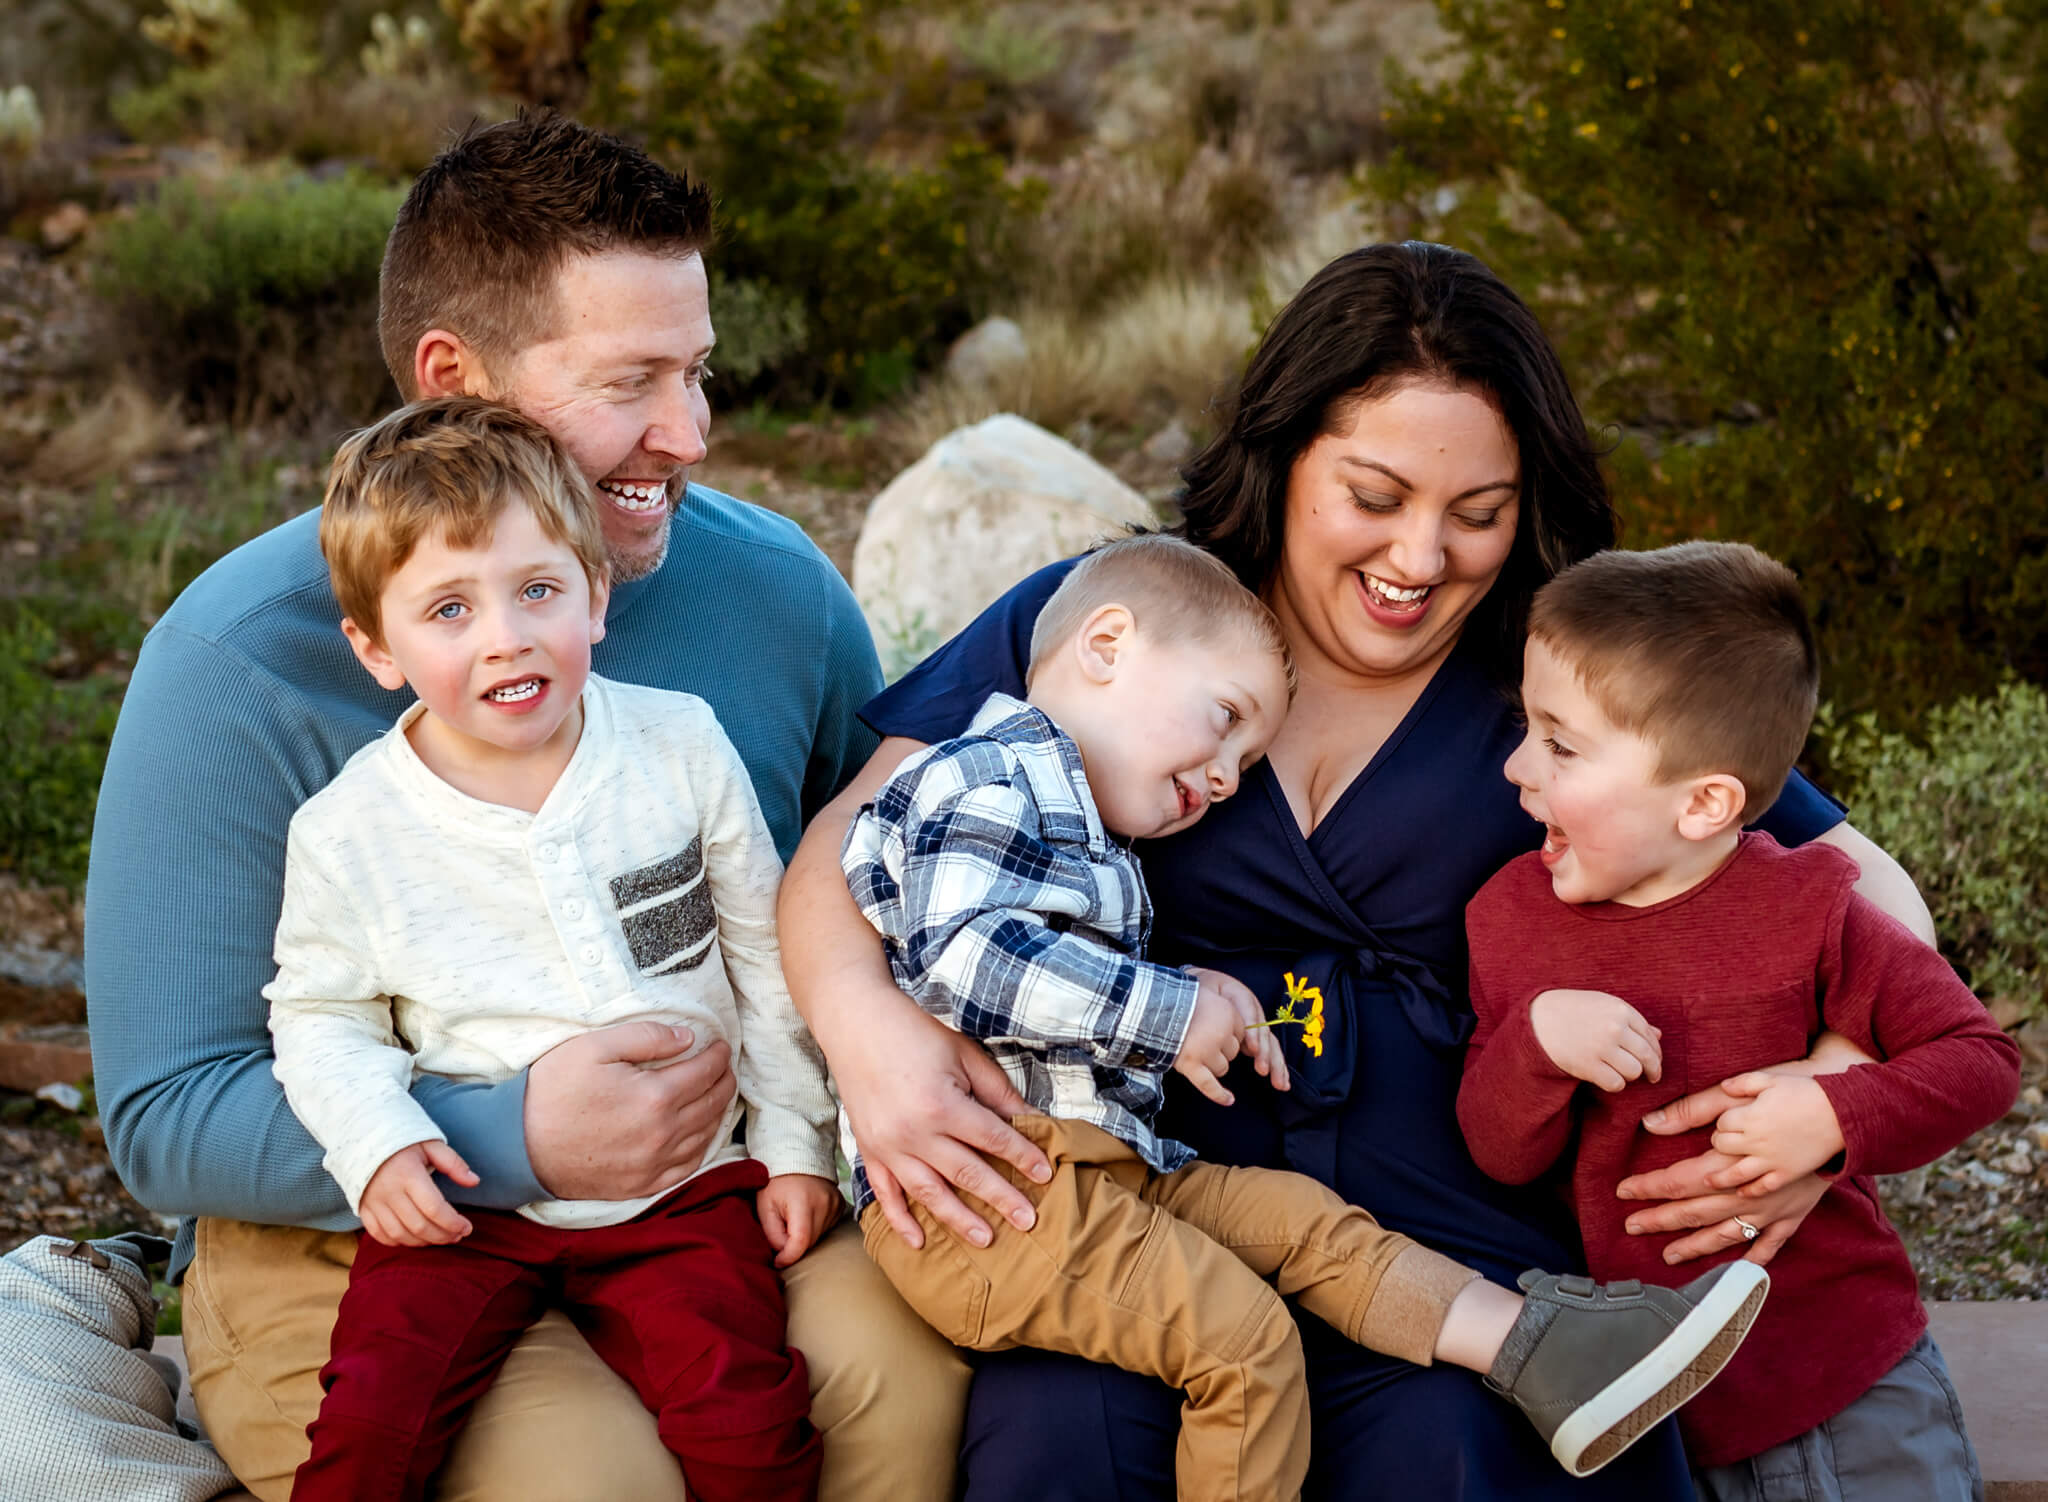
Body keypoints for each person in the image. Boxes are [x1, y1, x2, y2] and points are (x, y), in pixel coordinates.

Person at [775, 241, 1942, 1498]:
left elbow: (1865, 892)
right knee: (1062, 1434)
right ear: (1281, 459)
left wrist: (1825, 1101)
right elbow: (852, 843)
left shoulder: (1559, 668)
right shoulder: (1129, 618)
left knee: (1456, 1444)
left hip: (1457, 1240)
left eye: (1478, 513)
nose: (1422, 554)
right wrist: (867, 1035)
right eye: (1374, 495)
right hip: (1138, 1210)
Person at [83, 113, 969, 1502]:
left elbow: (860, 878)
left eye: (700, 371)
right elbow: (166, 1107)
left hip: (707, 1204)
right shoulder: (237, 663)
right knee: (598, 1481)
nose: (688, 434)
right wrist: (512, 1140)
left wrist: (849, 1065)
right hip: (369, 1233)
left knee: (914, 1390)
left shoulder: (777, 588)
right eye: (634, 381)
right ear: (457, 376)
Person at [841, 533, 1769, 1496]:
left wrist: (1198, 994)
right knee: (1246, 1346)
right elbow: (968, 959)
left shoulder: (1083, 821)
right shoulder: (981, 777)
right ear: (1107, 646)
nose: (1226, 779)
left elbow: (1788, 840)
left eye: (1247, 759)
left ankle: (1549, 1350)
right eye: (1226, 721)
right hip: (999, 1203)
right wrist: (1168, 1007)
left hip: (1111, 1174)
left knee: (1307, 1227)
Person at [268, 398, 839, 1501]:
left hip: (687, 1184)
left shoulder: (677, 744)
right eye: (448, 608)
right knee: (371, 1418)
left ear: (596, 592)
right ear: (376, 647)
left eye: (538, 590)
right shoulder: (349, 830)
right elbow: (319, 1013)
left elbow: (767, 957)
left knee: (750, 1418)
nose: (505, 636)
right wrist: (379, 1141)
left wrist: (791, 1140)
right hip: (465, 1200)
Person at [1458, 541, 2018, 1502]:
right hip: (1652, 1410)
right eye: (1526, 726)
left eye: (1560, 744)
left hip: (1847, 1373)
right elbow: (1497, 1150)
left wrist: (1837, 1114)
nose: (1516, 767)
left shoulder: (1813, 907)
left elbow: (1981, 1060)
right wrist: (1537, 1044)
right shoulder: (1509, 923)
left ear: (1704, 802)